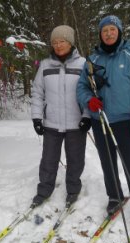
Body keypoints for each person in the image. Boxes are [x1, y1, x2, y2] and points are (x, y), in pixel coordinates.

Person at [77, 15, 130, 227]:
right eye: (105, 30)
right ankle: (115, 196)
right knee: (108, 163)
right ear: (100, 34)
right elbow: (82, 87)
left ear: (120, 31)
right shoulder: (93, 60)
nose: (109, 33)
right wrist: (90, 100)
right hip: (100, 120)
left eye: (112, 29)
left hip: (128, 120)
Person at [31, 25, 91, 208]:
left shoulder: (83, 64)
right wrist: (36, 117)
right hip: (52, 123)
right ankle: (44, 190)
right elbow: (37, 92)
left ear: (70, 42)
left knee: (75, 160)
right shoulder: (45, 65)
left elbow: (90, 92)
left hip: (76, 123)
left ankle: (73, 190)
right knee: (48, 160)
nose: (58, 45)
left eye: (62, 41)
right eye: (54, 42)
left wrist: (87, 116)